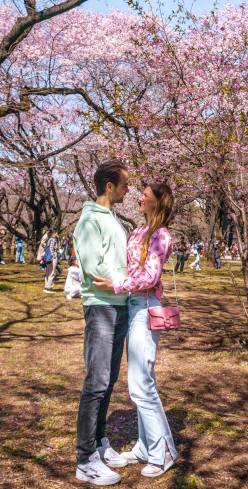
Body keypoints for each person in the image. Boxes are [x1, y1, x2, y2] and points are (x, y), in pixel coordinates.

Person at [94, 182, 178, 478]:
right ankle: (145, 447)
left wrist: (116, 285)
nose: (139, 197)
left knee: (142, 385)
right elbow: (131, 268)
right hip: (132, 306)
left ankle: (164, 451)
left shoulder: (160, 234)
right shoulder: (140, 232)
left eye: (145, 194)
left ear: (158, 201)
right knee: (141, 381)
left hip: (145, 306)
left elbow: (149, 276)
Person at [73, 160, 130, 486]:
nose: (128, 189)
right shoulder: (89, 221)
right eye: (124, 183)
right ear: (109, 185)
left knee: (108, 380)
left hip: (119, 305)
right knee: (96, 382)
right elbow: (95, 269)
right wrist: (129, 282)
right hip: (101, 307)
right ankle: (85, 459)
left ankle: (99, 442)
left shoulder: (112, 218)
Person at [44, 229, 59, 293]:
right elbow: (51, 248)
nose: (57, 234)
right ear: (54, 233)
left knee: (48, 272)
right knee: (52, 272)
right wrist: (54, 256)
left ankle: (46, 286)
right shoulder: (53, 240)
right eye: (56, 233)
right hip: (52, 258)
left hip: (48, 258)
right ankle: (49, 287)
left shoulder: (49, 239)